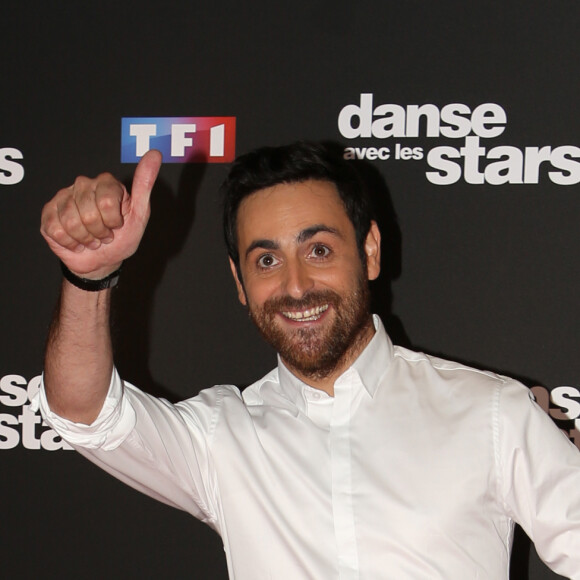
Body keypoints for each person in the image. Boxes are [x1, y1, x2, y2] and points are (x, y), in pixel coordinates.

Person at [37, 142, 580, 579]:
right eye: (267, 259)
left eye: (318, 250)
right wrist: (90, 276)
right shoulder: (220, 437)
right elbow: (85, 413)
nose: (296, 286)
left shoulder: (491, 412)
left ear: (369, 251)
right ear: (240, 283)